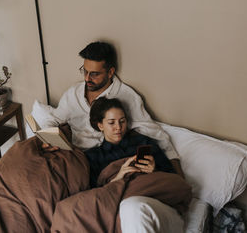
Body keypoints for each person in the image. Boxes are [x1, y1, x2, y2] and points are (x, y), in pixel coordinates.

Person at [42, 41, 186, 232]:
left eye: (94, 73)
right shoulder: (73, 94)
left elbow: (155, 135)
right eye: (84, 71)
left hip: (100, 168)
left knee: (77, 207)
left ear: (110, 72)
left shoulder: (127, 98)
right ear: (100, 125)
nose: (87, 78)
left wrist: (172, 173)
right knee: (25, 161)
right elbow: (53, 119)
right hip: (75, 156)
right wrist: (48, 139)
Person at [85, 97, 175, 188]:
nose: (119, 127)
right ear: (100, 126)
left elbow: (172, 177)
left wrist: (155, 171)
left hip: (149, 191)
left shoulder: (144, 142)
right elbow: (94, 193)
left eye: (122, 121)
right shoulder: (93, 156)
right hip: (119, 198)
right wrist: (118, 178)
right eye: (112, 123)